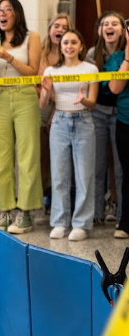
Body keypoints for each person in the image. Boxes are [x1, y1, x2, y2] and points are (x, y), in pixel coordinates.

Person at [0, 0, 42, 233]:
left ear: (17, 13)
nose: (2, 14)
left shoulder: (31, 37)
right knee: (2, 158)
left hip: (25, 97)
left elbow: (33, 72)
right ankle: (6, 210)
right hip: (0, 98)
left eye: (7, 9)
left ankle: (25, 212)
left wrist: (7, 57)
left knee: (27, 156)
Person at [40, 30, 98, 241]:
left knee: (84, 175)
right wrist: (46, 91)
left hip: (83, 121)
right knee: (59, 175)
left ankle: (81, 224)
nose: (69, 46)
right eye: (66, 42)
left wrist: (82, 99)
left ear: (81, 46)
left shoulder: (91, 69)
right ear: (60, 46)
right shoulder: (50, 70)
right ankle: (59, 221)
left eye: (74, 42)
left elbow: (92, 103)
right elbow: (43, 104)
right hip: (59, 122)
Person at [87, 11, 126, 226]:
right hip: (98, 112)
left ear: (122, 30)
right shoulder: (93, 53)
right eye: (105, 24)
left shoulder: (126, 53)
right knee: (97, 164)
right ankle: (96, 212)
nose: (109, 27)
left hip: (121, 113)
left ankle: (122, 213)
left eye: (114, 24)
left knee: (121, 166)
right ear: (100, 30)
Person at [37, 14, 72, 222]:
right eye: (56, 26)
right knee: (41, 155)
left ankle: (57, 200)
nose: (59, 29)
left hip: (61, 107)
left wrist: (54, 113)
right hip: (39, 105)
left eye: (64, 27)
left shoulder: (69, 52)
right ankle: (43, 199)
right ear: (50, 29)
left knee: (59, 157)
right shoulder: (40, 54)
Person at [108, 26, 129, 239]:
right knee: (126, 174)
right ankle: (126, 222)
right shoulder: (118, 58)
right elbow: (115, 88)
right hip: (125, 122)